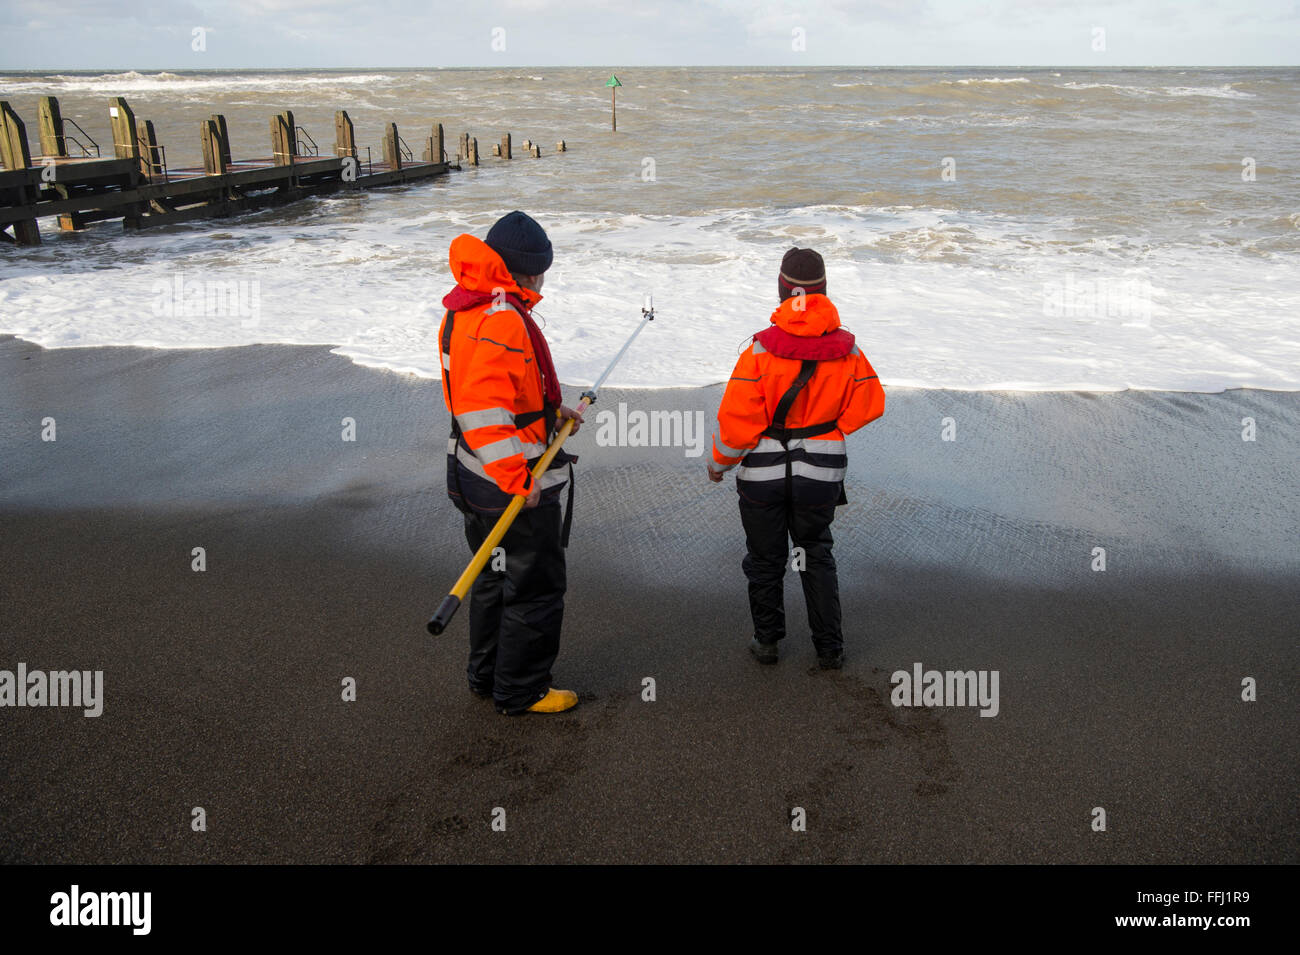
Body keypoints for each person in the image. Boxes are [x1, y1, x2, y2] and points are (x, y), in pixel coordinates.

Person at [708, 248, 885, 669]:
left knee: (765, 559)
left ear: (783, 290)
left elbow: (737, 423)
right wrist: (831, 426)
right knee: (815, 553)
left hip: (762, 477)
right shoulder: (849, 351)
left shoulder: (758, 352)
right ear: (823, 290)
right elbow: (872, 402)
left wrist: (719, 463)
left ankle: (767, 643)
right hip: (821, 472)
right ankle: (830, 648)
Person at [438, 211, 584, 714]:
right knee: (536, 587)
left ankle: (486, 676)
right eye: (542, 269)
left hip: (468, 473)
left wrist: (548, 411)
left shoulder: (467, 308)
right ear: (529, 272)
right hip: (507, 482)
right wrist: (518, 480)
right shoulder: (504, 318)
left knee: (493, 576)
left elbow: (487, 394)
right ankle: (521, 690)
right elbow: (483, 408)